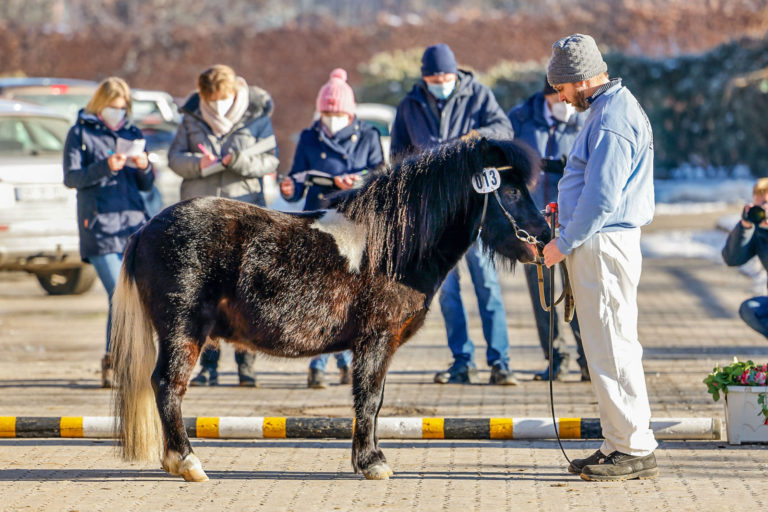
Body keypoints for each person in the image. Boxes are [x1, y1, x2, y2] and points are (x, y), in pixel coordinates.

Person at [541, 34, 658, 481]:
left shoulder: (611, 117)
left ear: (582, 79)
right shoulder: (609, 109)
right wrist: (566, 212)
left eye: (563, 88)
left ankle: (633, 447)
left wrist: (564, 240)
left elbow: (603, 195)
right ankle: (620, 441)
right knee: (608, 345)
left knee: (611, 346)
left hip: (603, 243)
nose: (561, 97)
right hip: (601, 241)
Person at [391, 43, 518, 385]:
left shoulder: (478, 95)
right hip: (435, 215)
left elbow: (504, 130)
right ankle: (462, 360)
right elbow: (397, 156)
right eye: (433, 77)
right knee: (446, 292)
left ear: (455, 73)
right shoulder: (409, 105)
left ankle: (500, 361)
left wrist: (477, 137)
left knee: (487, 285)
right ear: (424, 78)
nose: (440, 81)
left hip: (474, 207)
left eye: (445, 76)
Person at [169, 64, 279, 387]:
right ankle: (209, 367)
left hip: (243, 214)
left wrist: (240, 161)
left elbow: (271, 159)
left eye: (222, 98)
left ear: (234, 93)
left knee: (246, 293)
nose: (216, 105)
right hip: (201, 214)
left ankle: (247, 365)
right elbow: (175, 158)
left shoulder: (257, 116)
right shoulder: (190, 116)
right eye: (210, 99)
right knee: (205, 295)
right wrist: (198, 165)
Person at [279, 68, 385, 388]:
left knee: (352, 294)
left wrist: (358, 181)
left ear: (349, 112)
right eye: (327, 112)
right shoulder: (310, 136)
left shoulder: (368, 135)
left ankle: (348, 361)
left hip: (354, 221)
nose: (332, 118)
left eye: (337, 112)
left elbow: (381, 177)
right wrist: (289, 188)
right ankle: (317, 363)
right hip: (319, 221)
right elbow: (297, 177)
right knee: (318, 293)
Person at [62, 77, 155, 388]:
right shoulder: (80, 133)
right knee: (120, 295)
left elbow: (146, 185)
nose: (118, 113)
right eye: (113, 108)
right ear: (100, 106)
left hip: (132, 226)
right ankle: (115, 362)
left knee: (133, 298)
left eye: (122, 108)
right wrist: (106, 166)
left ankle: (121, 361)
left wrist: (143, 166)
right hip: (99, 226)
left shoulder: (132, 132)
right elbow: (72, 177)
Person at [508, 79, 590, 382]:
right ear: (548, 96)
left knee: (577, 292)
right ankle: (555, 359)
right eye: (558, 97)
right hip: (532, 220)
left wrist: (564, 167)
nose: (564, 102)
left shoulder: (583, 117)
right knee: (541, 293)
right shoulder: (520, 118)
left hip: (571, 220)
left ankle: (587, 359)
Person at [722, 178, 768, 338]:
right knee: (751, 308)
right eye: (758, 205)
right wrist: (745, 226)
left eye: (766, 203)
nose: (762, 210)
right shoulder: (758, 231)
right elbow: (732, 258)